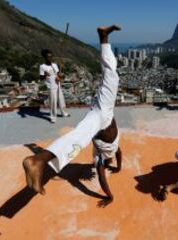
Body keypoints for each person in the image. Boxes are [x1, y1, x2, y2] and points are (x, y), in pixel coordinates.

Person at [23, 25, 122, 207]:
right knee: (111, 74)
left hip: (101, 113)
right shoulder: (104, 155)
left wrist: (117, 169)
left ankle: (39, 159)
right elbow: (106, 170)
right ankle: (38, 160)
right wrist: (110, 195)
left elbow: (117, 156)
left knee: (110, 74)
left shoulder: (104, 153)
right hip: (101, 113)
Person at [39, 49, 70, 123]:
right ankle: (53, 117)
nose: (50, 58)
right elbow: (41, 78)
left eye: (51, 56)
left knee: (61, 100)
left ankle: (64, 113)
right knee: (53, 102)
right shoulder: (42, 67)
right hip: (51, 86)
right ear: (45, 57)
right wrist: (45, 75)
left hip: (57, 84)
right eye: (48, 57)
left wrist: (60, 76)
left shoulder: (55, 65)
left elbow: (58, 74)